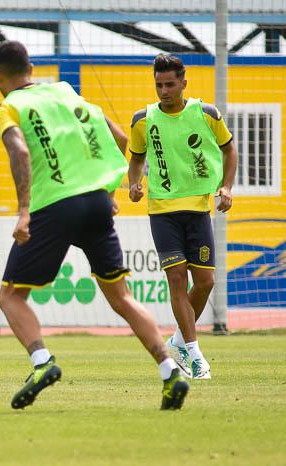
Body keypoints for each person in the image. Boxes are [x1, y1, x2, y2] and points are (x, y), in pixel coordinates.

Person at [0, 40, 189, 410]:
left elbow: (18, 151)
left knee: (10, 296)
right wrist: (109, 189)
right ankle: (169, 370)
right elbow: (123, 138)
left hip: (53, 206)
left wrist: (23, 210)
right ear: (30, 67)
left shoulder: (7, 108)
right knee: (122, 297)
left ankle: (42, 363)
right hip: (97, 202)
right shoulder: (67, 93)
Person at [128, 53, 238, 379]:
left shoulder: (206, 114)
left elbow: (229, 148)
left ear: (184, 83)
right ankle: (194, 354)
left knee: (205, 282)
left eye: (170, 84)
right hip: (162, 211)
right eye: (159, 85)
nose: (164, 91)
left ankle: (177, 341)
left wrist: (227, 187)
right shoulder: (142, 120)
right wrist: (135, 183)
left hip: (199, 209)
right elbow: (135, 158)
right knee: (177, 278)